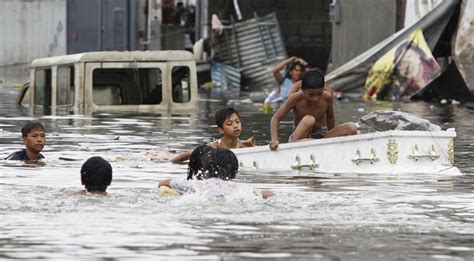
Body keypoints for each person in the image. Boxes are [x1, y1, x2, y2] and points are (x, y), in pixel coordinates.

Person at [269, 70, 357, 151]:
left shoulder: (327, 97)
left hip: (319, 137)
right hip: (298, 139)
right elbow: (275, 118)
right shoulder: (295, 98)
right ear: (303, 90)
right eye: (311, 94)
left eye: (319, 94)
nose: (316, 98)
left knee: (351, 127)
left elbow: (330, 118)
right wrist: (274, 140)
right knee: (309, 119)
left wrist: (332, 139)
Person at [160, 147, 274, 199]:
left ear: (206, 170)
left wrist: (182, 195)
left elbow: (163, 183)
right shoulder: (239, 189)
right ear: (234, 173)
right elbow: (268, 194)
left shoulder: (197, 185)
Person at [170, 107, 255, 163]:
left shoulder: (245, 145)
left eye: (237, 122)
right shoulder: (214, 147)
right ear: (221, 130)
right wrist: (171, 162)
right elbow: (187, 155)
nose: (236, 126)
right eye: (230, 124)